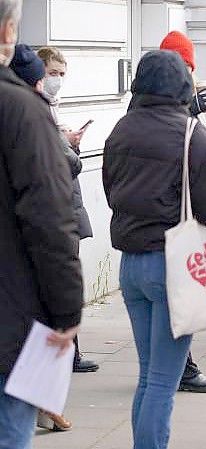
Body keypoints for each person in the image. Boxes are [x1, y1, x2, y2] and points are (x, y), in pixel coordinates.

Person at [102, 50, 206, 449]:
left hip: (132, 265)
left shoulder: (121, 130)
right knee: (163, 380)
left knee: (149, 375)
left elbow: (111, 190)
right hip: (173, 265)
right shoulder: (192, 133)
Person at [0, 4, 84, 446]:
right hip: (11, 319)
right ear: (9, 31)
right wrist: (68, 311)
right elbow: (50, 220)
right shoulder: (21, 110)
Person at [157, 30, 206, 395]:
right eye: (182, 66)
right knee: (180, 302)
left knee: (171, 305)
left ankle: (172, 368)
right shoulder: (164, 112)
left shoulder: (141, 112)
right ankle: (179, 370)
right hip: (170, 225)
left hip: (153, 227)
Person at [31, 46, 98, 379]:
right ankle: (64, 351)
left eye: (61, 75)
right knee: (60, 278)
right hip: (58, 209)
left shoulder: (50, 109)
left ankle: (69, 351)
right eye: (52, 74)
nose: (57, 81)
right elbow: (64, 164)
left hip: (66, 204)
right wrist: (68, 146)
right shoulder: (38, 111)